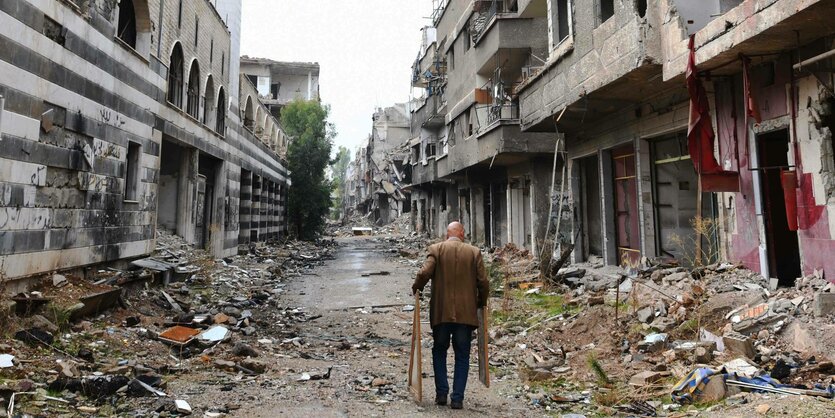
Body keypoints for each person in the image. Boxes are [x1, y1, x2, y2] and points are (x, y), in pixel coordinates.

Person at [412, 221, 489, 409]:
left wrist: (417, 289)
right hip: (465, 316)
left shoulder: (436, 249)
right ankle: (457, 399)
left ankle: (441, 394)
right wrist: (481, 302)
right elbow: (484, 282)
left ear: (448, 235)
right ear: (462, 234)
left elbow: (424, 273)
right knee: (462, 355)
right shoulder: (473, 252)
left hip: (441, 314)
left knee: (439, 351)